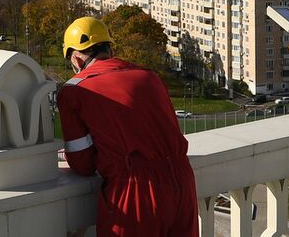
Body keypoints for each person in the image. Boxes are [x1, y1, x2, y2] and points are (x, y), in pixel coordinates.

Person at [57, 16, 198, 236]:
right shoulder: (149, 76)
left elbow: (82, 163)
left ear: (76, 58)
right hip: (183, 182)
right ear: (109, 50)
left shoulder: (75, 90)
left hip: (136, 190)